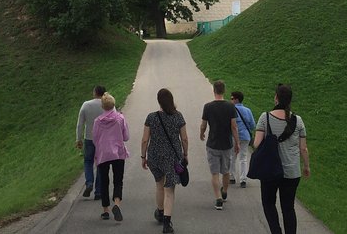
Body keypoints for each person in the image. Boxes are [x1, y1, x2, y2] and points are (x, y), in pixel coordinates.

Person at [253, 84, 310, 234]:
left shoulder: (265, 117)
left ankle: (276, 231)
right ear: (290, 100)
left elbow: (256, 143)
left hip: (270, 170)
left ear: (276, 98)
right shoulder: (298, 120)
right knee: (288, 207)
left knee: (269, 203)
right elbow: (303, 148)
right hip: (291, 171)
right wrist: (306, 166)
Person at [141, 88, 189, 234]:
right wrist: (185, 154)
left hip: (154, 156)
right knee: (170, 190)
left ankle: (160, 212)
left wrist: (143, 157)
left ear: (159, 101)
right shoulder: (178, 116)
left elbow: (144, 140)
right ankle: (167, 224)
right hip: (172, 158)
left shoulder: (151, 117)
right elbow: (185, 138)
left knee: (159, 185)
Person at [200, 80, 240, 210]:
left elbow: (204, 124)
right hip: (227, 144)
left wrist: (201, 133)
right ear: (224, 90)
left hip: (212, 143)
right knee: (226, 171)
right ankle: (224, 191)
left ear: (214, 90)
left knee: (215, 173)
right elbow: (234, 126)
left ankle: (218, 199)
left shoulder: (208, 106)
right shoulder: (230, 106)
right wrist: (237, 142)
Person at [92, 92, 130, 222]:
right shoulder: (120, 118)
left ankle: (106, 210)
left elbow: (94, 139)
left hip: (103, 154)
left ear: (102, 106)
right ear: (113, 104)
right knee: (118, 180)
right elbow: (126, 137)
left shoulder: (97, 121)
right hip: (118, 153)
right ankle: (117, 203)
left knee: (104, 181)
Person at [75, 85, 106, 199]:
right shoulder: (106, 105)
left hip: (89, 138)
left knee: (88, 161)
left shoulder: (86, 105)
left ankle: (89, 182)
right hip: (102, 140)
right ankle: (98, 192)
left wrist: (78, 139)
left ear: (94, 92)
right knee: (100, 164)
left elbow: (80, 124)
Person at [229, 91, 256, 188]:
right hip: (245, 137)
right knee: (243, 158)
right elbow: (253, 125)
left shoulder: (231, 110)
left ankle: (232, 177)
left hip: (233, 137)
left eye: (232, 98)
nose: (230, 100)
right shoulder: (248, 110)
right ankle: (243, 179)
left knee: (232, 157)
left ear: (236, 99)